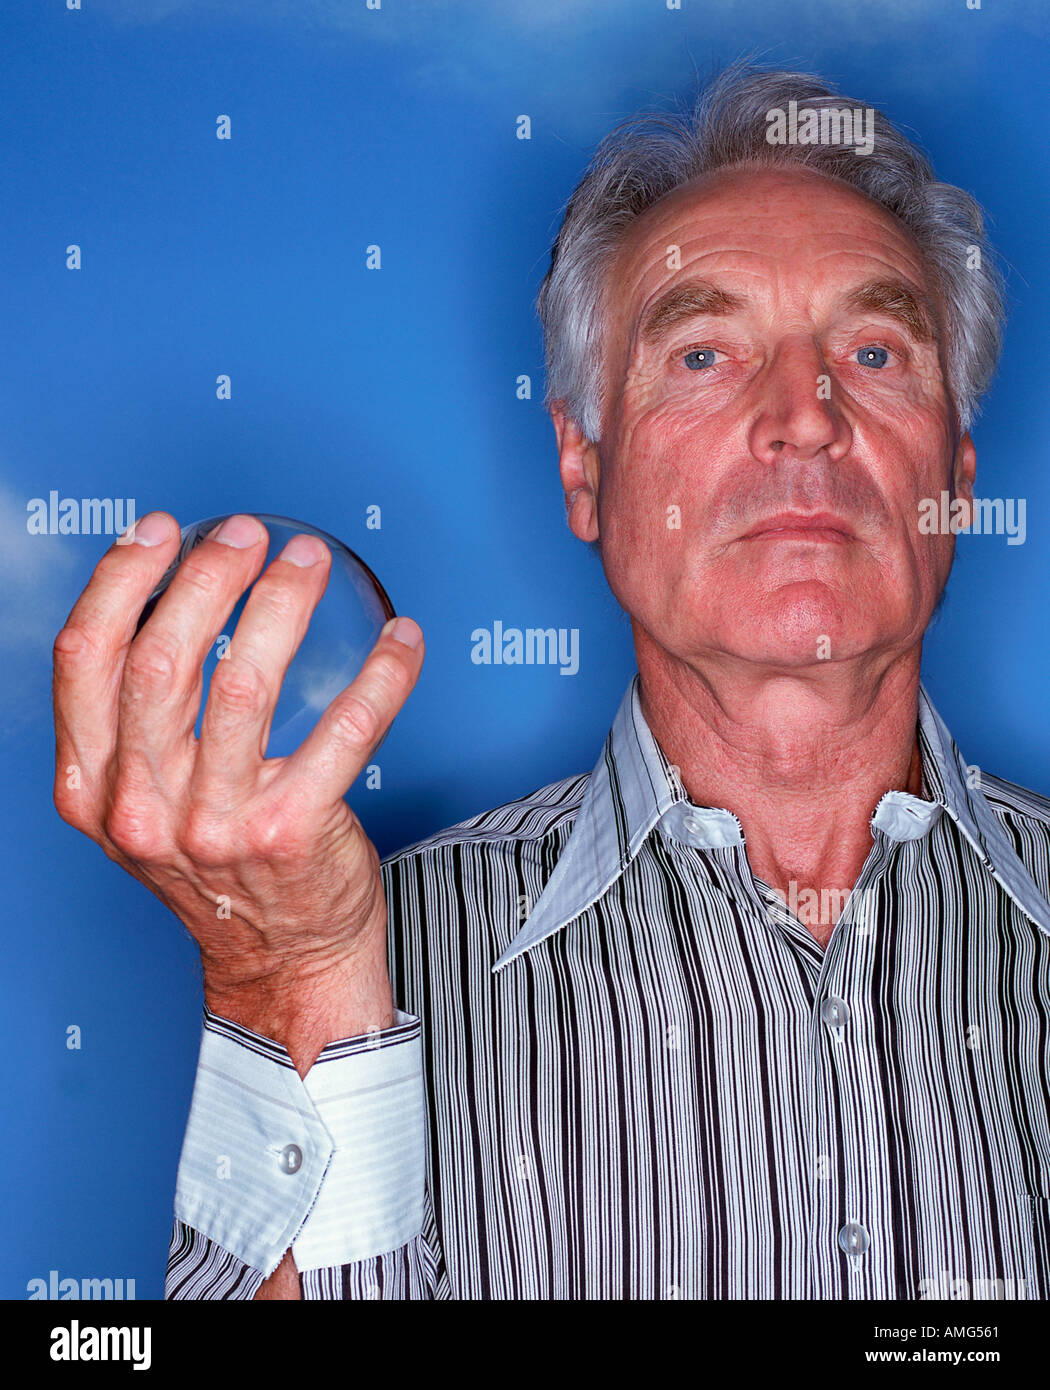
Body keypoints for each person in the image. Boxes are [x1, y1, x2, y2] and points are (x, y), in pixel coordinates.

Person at [53, 61, 1050, 1301]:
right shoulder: (371, 951)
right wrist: (291, 977)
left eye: (873, 346)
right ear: (587, 473)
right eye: (702, 354)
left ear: (951, 462)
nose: (807, 415)